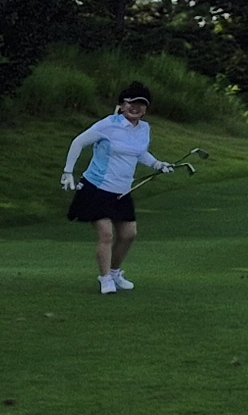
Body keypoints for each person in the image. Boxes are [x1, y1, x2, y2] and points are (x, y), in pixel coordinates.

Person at [62, 85, 178, 294]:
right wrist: (68, 172)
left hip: (121, 190)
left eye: (140, 104)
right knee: (106, 234)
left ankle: (115, 272)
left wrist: (158, 164)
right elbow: (78, 142)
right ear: (122, 105)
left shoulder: (144, 129)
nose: (135, 107)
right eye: (131, 103)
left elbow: (139, 153)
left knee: (128, 234)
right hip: (96, 188)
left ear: (145, 109)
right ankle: (105, 277)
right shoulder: (108, 125)